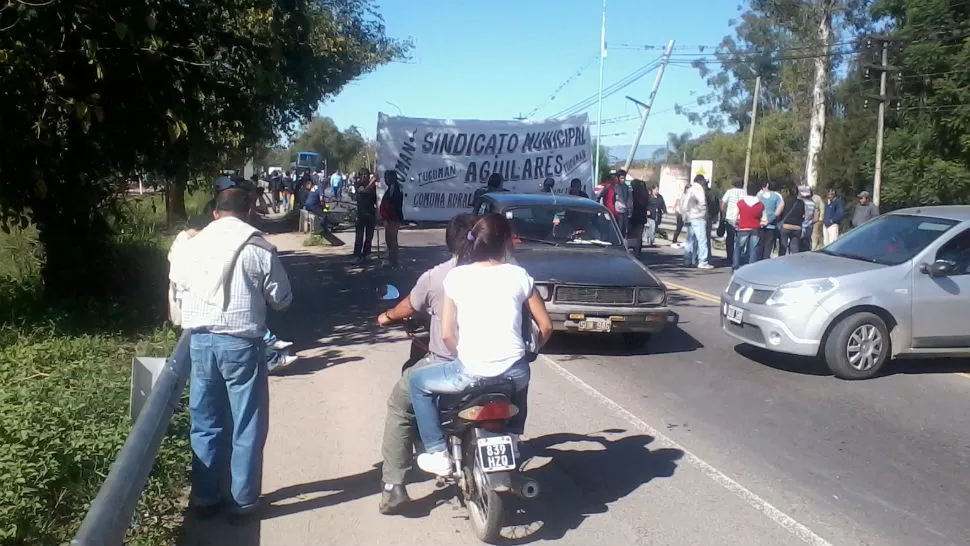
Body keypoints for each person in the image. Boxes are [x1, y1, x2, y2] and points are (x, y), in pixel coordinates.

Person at [170, 188, 293, 520]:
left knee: (205, 420)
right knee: (247, 423)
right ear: (250, 213)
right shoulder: (258, 248)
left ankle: (206, 497)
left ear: (214, 213)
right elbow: (282, 299)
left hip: (199, 341)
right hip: (241, 344)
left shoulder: (193, 246)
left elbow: (178, 286)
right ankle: (242, 501)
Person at [408, 214, 554, 476]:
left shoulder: (456, 277)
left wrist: (460, 356)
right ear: (507, 243)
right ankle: (515, 437)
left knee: (417, 383)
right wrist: (532, 350)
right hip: (514, 374)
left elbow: (447, 334)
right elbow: (546, 327)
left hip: (470, 371)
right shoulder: (520, 275)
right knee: (521, 373)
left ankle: (437, 452)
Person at [374, 214, 478, 514]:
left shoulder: (438, 277)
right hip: (499, 366)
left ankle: (394, 485)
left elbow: (408, 306)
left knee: (399, 403)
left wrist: (387, 317)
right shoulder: (505, 272)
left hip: (448, 365)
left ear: (450, 243)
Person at [683, 174, 713, 269]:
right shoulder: (699, 189)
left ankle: (688, 259)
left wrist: (687, 214)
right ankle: (703, 261)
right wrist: (703, 213)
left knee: (690, 240)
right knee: (702, 240)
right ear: (700, 181)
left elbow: (684, 205)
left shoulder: (690, 189)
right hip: (699, 217)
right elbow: (702, 202)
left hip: (690, 217)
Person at [733, 184, 764, 270]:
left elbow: (734, 216)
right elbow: (764, 219)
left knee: (738, 248)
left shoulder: (740, 203)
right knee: (753, 249)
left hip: (743, 228)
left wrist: (735, 223)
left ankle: (735, 266)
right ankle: (751, 268)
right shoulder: (760, 204)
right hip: (755, 228)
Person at [380, 170, 405, 268]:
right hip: (390, 217)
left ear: (392, 178)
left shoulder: (396, 189)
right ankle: (391, 258)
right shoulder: (391, 188)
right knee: (389, 239)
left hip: (394, 217)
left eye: (387, 178)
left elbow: (393, 204)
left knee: (392, 239)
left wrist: (387, 216)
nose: (386, 180)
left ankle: (394, 260)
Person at [757, 180, 785, 260]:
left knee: (759, 246)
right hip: (771, 225)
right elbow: (779, 211)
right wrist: (770, 220)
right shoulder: (777, 196)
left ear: (767, 186)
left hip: (760, 224)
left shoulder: (760, 195)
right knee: (768, 247)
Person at [354, 169, 378, 260]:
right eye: (362, 175)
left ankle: (366, 254)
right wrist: (373, 180)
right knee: (359, 236)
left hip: (371, 213)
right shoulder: (358, 185)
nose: (364, 176)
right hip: (361, 214)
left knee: (369, 236)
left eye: (366, 175)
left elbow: (376, 199)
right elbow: (364, 191)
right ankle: (357, 255)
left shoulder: (374, 187)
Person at [720, 179, 745, 265]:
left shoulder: (729, 192)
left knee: (730, 238)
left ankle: (729, 257)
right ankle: (738, 256)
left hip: (730, 217)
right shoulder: (744, 192)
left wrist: (722, 214)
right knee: (740, 238)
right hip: (740, 218)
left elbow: (723, 204)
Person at [777, 184, 806, 256]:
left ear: (789, 192)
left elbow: (777, 213)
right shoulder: (801, 202)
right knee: (795, 248)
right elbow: (804, 215)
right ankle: (794, 263)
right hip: (797, 227)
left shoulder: (785, 200)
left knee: (783, 246)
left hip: (786, 226)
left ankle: (781, 262)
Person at [628, 179, 650, 256]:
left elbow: (631, 204)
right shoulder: (645, 195)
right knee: (639, 235)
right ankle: (637, 251)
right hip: (642, 217)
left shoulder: (633, 194)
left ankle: (632, 249)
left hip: (633, 216)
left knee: (632, 234)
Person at [798, 185, 818, 252]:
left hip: (800, 227)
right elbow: (816, 218)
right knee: (806, 248)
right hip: (809, 228)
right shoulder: (813, 203)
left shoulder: (800, 202)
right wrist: (809, 222)